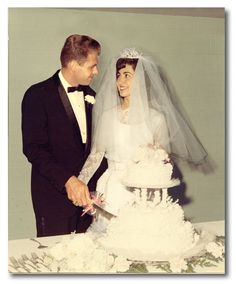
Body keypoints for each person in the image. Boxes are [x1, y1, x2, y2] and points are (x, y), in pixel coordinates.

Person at [78, 47, 209, 229]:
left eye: (127, 75)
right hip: (111, 189)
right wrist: (79, 183)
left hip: (142, 193)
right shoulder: (108, 116)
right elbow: (96, 155)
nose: (120, 81)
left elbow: (164, 161)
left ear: (141, 80)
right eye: (118, 75)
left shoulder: (156, 119)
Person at [21, 34, 107, 237]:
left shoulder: (94, 97)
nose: (96, 71)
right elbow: (34, 149)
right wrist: (69, 181)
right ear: (74, 64)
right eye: (92, 66)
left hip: (89, 201)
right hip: (53, 199)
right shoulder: (37, 95)